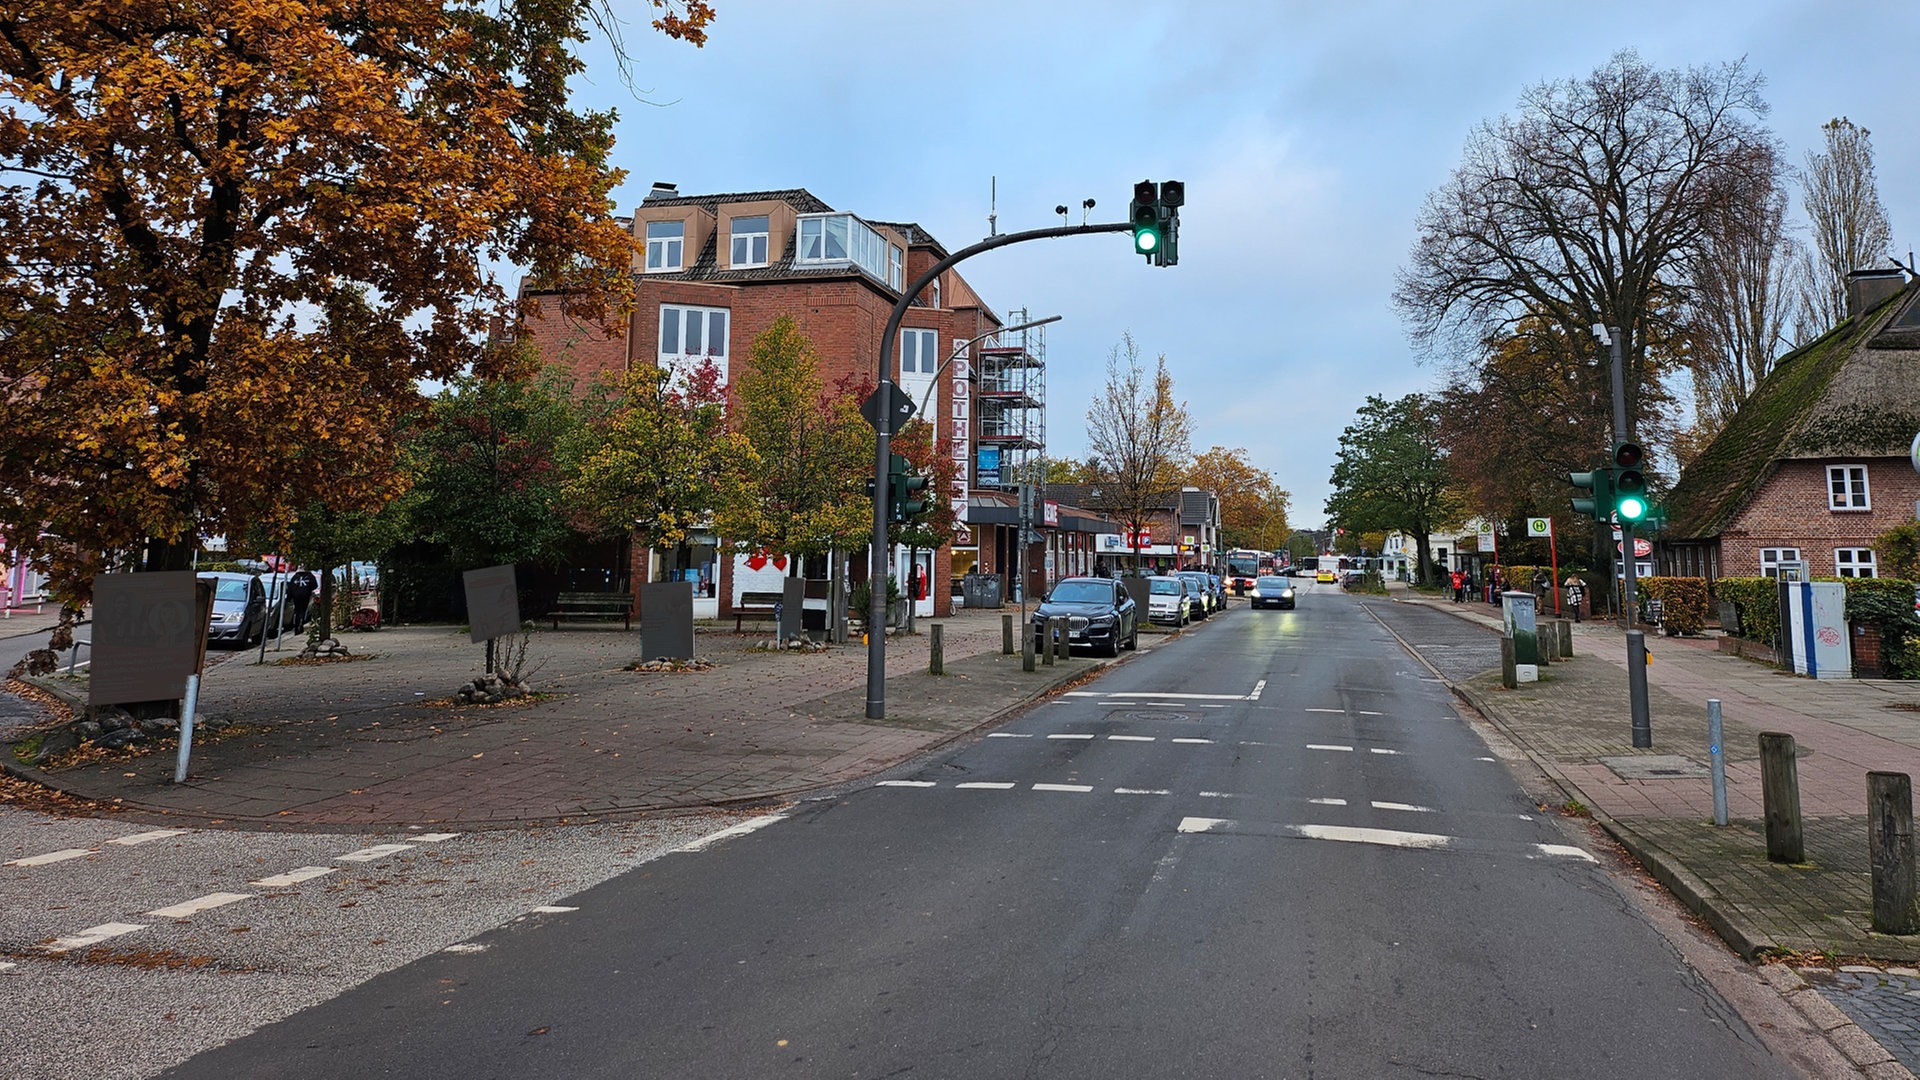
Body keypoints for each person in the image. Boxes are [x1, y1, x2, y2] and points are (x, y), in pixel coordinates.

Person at [287, 568, 318, 632]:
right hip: (305, 595)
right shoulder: (310, 576)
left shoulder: (294, 577)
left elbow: (290, 588)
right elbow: (315, 585)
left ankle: (296, 625)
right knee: (303, 610)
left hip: (296, 596)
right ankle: (301, 624)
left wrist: (289, 598)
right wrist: (308, 589)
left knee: (297, 610)